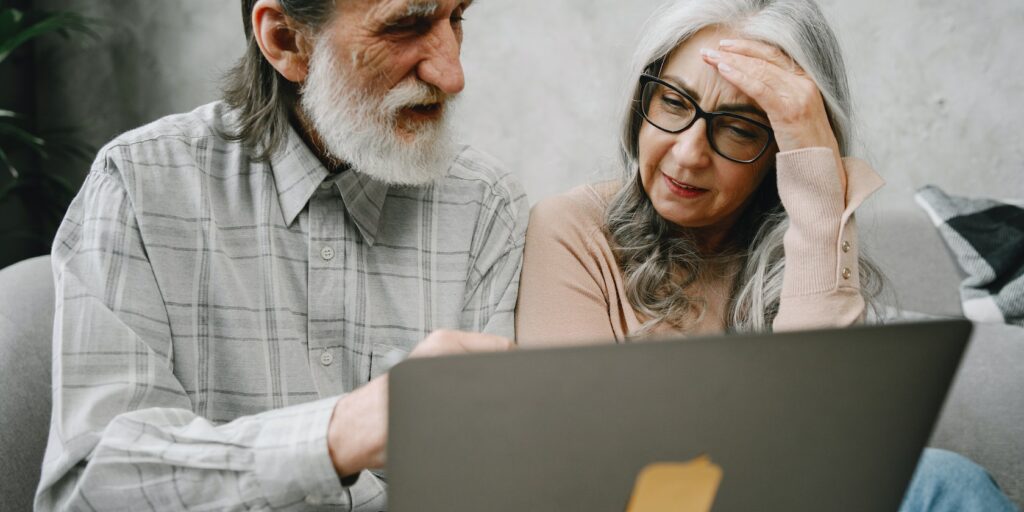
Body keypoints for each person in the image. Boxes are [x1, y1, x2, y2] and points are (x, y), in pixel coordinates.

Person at [515, 0, 1017, 509]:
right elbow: (586, 456)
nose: (689, 153)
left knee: (951, 482)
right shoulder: (572, 229)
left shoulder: (808, 242)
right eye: (672, 102)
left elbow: (828, 456)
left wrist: (818, 179)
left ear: (780, 152)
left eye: (739, 128)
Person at [36, 0, 527, 510]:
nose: (452, 75)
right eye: (404, 25)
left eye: (457, 18)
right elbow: (92, 487)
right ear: (286, 41)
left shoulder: (484, 204)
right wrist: (340, 434)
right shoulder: (140, 185)